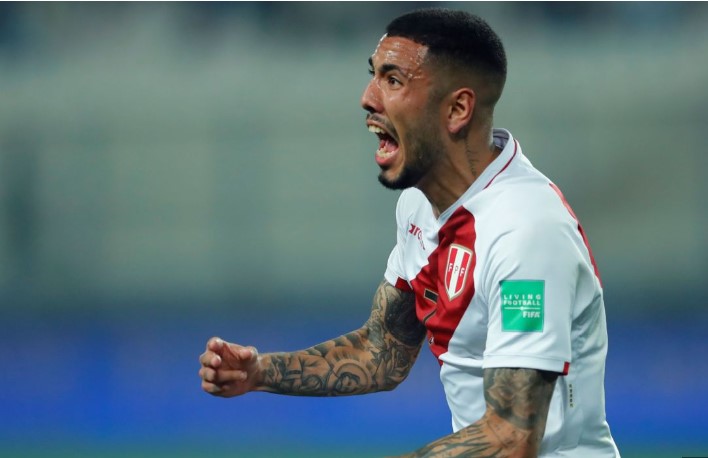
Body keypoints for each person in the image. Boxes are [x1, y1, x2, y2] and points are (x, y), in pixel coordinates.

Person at [198, 8, 620, 457]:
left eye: (393, 80)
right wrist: (260, 372)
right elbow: (383, 353)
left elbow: (513, 438)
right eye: (374, 76)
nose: (367, 98)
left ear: (457, 109)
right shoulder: (420, 204)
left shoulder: (526, 233)